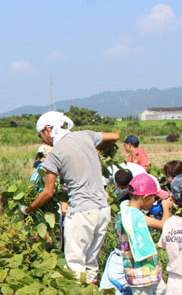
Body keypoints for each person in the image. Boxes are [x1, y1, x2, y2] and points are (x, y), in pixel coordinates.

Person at [20, 111, 119, 284]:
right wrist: (94, 149)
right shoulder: (85, 136)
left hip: (81, 212)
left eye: (40, 134)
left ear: (48, 129)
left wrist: (27, 209)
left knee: (75, 265)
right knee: (91, 263)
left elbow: (47, 192)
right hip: (103, 209)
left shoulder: (56, 153)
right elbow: (115, 136)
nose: (42, 139)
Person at [116, 174, 171, 295]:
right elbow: (164, 225)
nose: (155, 202)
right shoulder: (137, 216)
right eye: (154, 198)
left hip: (150, 272)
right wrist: (166, 208)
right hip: (141, 276)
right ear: (146, 197)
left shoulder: (125, 214)